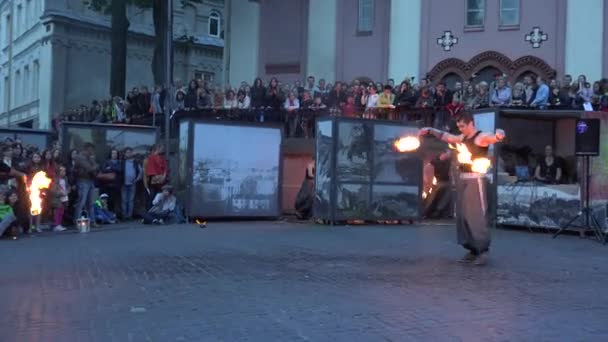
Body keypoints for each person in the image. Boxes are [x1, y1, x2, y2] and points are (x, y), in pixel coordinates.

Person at [419, 113, 506, 266]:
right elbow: (448, 137)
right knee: (463, 216)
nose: (460, 129)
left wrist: (499, 135)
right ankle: (472, 249)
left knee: (475, 215)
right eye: (459, 126)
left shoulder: (481, 137)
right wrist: (430, 130)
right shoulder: (462, 139)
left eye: (462, 126)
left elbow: (494, 138)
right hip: (462, 179)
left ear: (471, 123)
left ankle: (482, 250)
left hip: (475, 179)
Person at [423, 150, 453, 219]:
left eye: (450, 154)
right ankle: (425, 212)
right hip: (438, 182)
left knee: (447, 197)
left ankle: (439, 211)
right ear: (443, 154)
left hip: (447, 182)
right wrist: (426, 177)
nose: (449, 156)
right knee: (432, 197)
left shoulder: (448, 162)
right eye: (448, 154)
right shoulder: (435, 161)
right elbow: (426, 167)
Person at [120, 147, 143, 220]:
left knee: (131, 200)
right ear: (125, 153)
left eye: (130, 152)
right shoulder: (122, 162)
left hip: (132, 184)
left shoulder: (135, 162)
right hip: (123, 183)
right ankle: (124, 215)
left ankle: (129, 216)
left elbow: (141, 171)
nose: (128, 154)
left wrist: (137, 179)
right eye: (127, 152)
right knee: (124, 200)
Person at [50, 165, 69, 232]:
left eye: (64, 170)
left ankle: (59, 224)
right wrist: (59, 193)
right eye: (62, 170)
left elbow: (68, 186)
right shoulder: (55, 179)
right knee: (58, 210)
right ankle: (56, 225)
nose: (64, 172)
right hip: (57, 197)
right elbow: (53, 190)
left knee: (62, 210)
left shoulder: (65, 178)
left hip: (64, 196)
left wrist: (67, 191)